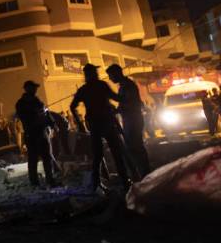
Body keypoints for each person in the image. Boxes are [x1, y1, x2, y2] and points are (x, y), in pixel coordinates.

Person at [69, 63, 131, 192]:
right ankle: (124, 181)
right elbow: (116, 97)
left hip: (95, 124)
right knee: (116, 152)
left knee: (98, 155)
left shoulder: (84, 89)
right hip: (105, 123)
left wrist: (80, 123)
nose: (96, 74)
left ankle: (97, 183)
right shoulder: (101, 85)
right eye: (94, 72)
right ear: (92, 74)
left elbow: (72, 106)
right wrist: (126, 93)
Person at [106, 64, 151, 177]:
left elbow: (127, 101)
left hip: (133, 119)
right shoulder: (123, 85)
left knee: (135, 146)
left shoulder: (128, 85)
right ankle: (142, 172)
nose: (110, 79)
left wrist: (110, 96)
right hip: (129, 119)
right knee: (133, 146)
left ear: (117, 73)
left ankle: (145, 173)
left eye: (110, 76)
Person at [15, 81, 58, 187]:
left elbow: (46, 113)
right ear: (27, 88)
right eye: (33, 88)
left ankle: (50, 179)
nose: (35, 90)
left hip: (42, 133)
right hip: (31, 134)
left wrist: (53, 124)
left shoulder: (38, 101)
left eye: (35, 88)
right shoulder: (21, 103)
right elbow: (24, 117)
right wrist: (35, 113)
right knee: (33, 158)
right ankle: (34, 182)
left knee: (47, 157)